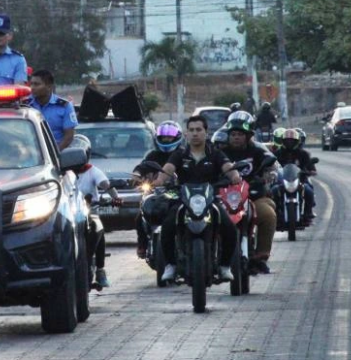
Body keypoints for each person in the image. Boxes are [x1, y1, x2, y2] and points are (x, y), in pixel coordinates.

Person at [153, 115, 241, 282]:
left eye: (198, 130)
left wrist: (234, 175)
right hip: (184, 200)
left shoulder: (215, 153)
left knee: (230, 228)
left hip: (210, 200)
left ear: (206, 132)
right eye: (191, 130)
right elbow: (167, 171)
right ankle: (170, 266)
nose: (195, 133)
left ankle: (224, 266)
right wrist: (158, 181)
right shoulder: (180, 154)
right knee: (167, 227)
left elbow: (229, 168)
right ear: (186, 134)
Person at [219, 113, 279, 274]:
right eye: (233, 134)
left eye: (240, 135)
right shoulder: (219, 152)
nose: (236, 138)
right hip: (223, 198)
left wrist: (268, 176)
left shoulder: (258, 151)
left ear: (248, 136)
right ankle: (210, 254)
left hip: (253, 197)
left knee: (268, 214)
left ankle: (260, 256)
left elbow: (273, 168)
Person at [72, 135, 120, 290]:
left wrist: (116, 197)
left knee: (98, 230)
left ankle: (100, 269)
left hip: (89, 212)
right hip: (71, 214)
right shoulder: (63, 172)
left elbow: (105, 184)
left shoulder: (93, 171)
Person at [132, 121, 184, 258]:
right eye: (163, 138)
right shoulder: (152, 155)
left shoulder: (183, 155)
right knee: (140, 216)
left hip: (177, 192)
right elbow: (142, 167)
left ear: (177, 138)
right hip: (156, 192)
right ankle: (142, 243)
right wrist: (137, 176)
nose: (166, 140)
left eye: (170, 138)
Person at [25, 69, 77, 150]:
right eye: (31, 84)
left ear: (49, 87)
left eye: (36, 84)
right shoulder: (25, 105)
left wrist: (55, 154)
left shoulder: (65, 106)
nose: (32, 87)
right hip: (30, 155)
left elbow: (69, 137)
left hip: (58, 154)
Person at [273, 128, 317, 223]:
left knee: (308, 190)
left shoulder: (303, 154)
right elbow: (271, 165)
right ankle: (275, 214)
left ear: (296, 142)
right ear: (283, 141)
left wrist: (311, 171)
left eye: (292, 141)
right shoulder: (277, 153)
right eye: (287, 141)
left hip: (300, 180)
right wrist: (270, 172)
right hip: (282, 181)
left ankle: (307, 213)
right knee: (273, 191)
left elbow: (311, 166)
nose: (289, 143)